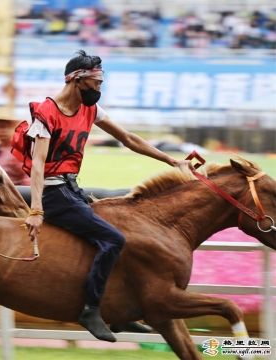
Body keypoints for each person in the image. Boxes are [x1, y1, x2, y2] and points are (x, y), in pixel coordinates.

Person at [13, 50, 193, 342]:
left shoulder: (91, 109)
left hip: (71, 189)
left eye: (100, 82)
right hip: (52, 193)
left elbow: (128, 139)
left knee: (120, 236)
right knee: (114, 239)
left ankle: (118, 313)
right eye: (96, 82)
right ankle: (91, 309)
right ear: (77, 80)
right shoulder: (46, 113)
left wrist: (172, 161)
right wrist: (35, 209)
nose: (99, 88)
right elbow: (37, 166)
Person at [0, 107, 30, 186]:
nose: (2, 131)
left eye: (5, 127)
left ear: (11, 128)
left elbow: (28, 176)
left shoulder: (18, 150)